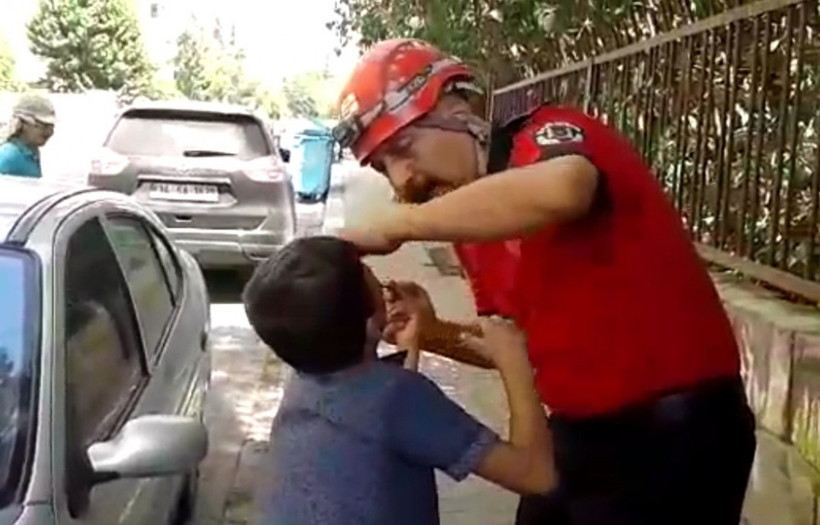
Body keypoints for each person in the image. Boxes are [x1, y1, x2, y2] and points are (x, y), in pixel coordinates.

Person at [332, 38, 756, 525]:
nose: (403, 179)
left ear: (457, 108)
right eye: (384, 167)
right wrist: (435, 332)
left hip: (675, 431)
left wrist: (397, 226)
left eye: (403, 149)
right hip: (580, 434)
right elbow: (514, 347)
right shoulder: (471, 223)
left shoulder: (548, 135)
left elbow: (566, 188)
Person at [243, 236, 555, 525]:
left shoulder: (303, 386)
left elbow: (387, 418)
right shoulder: (397, 397)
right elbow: (535, 475)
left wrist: (412, 344)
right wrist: (514, 362)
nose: (385, 289)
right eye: (376, 283)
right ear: (369, 323)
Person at [0, 93, 55, 178]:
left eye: (51, 126)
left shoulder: (31, 151)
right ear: (21, 124)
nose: (49, 132)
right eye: (41, 126)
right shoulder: (9, 154)